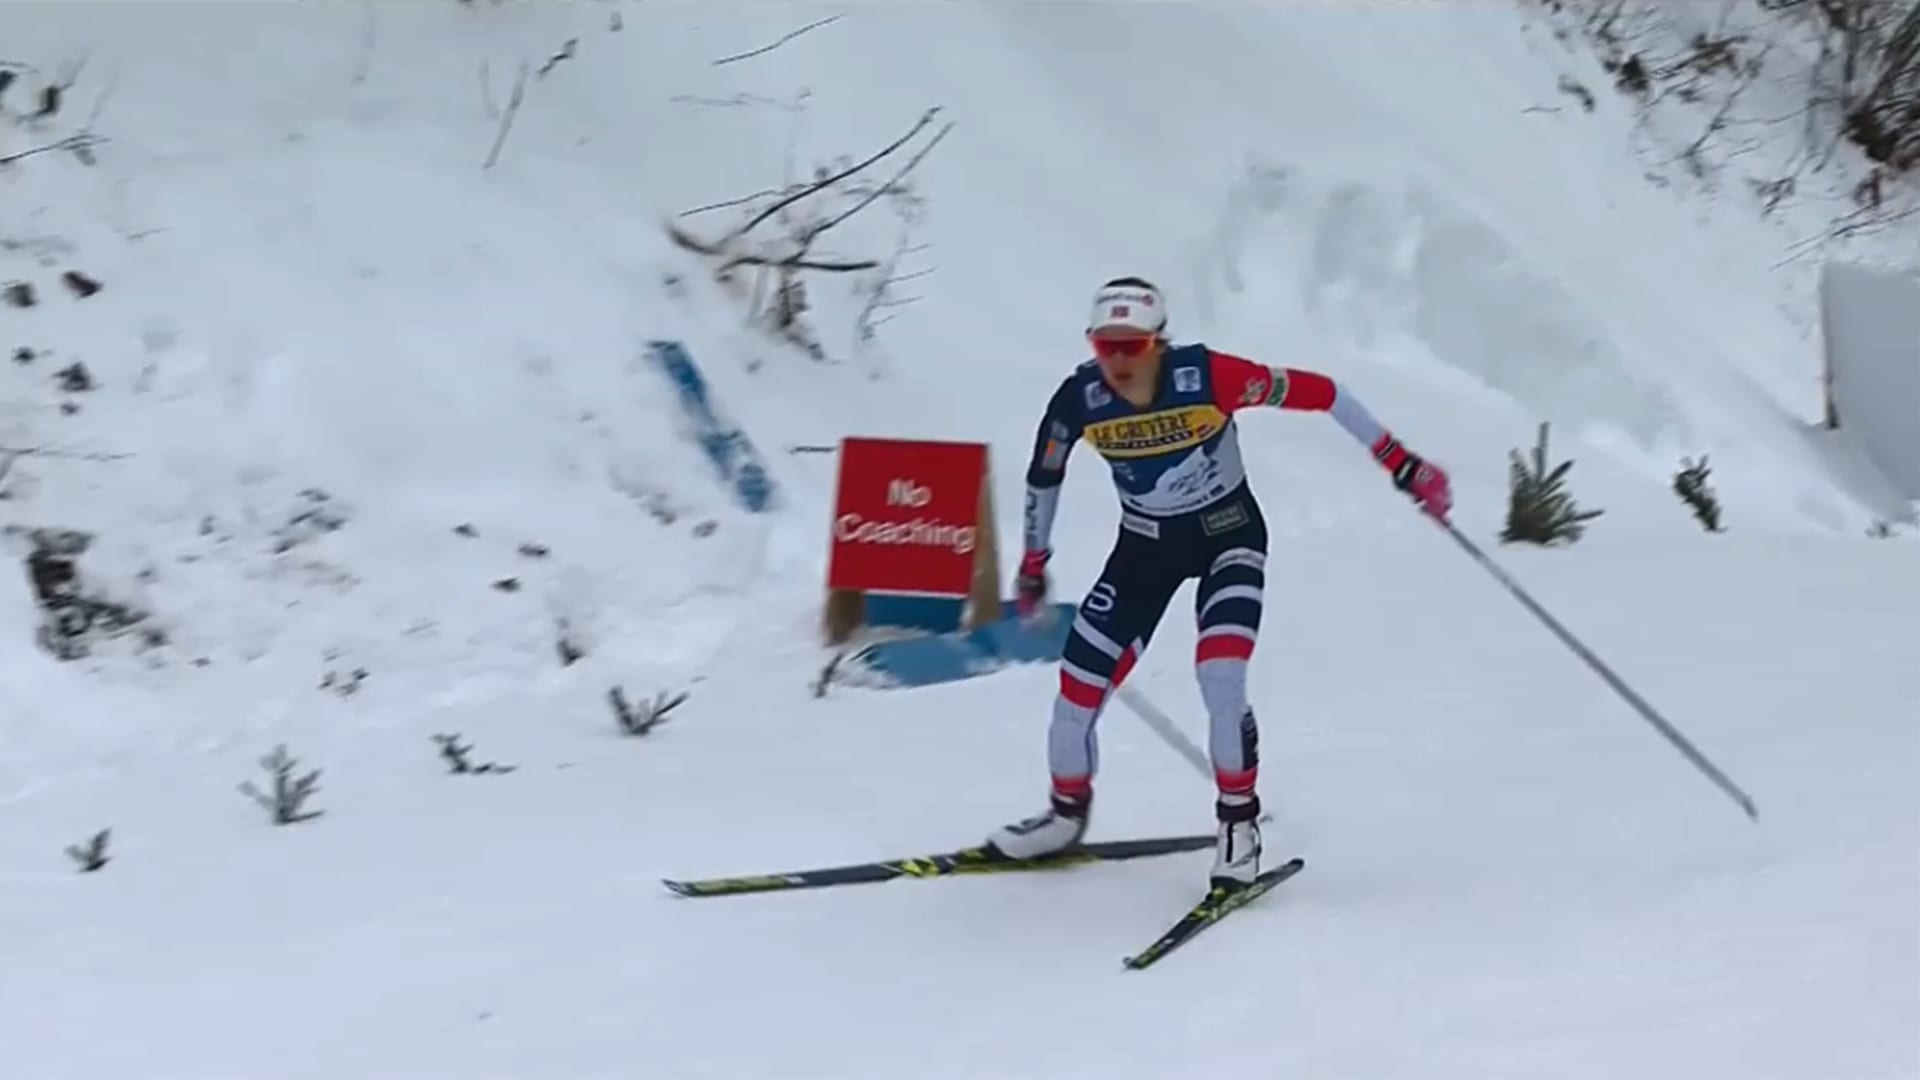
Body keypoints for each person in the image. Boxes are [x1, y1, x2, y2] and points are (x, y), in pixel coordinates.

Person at [985, 276, 1454, 888]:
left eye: (1134, 347)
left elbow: (1325, 394)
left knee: (1220, 674)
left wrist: (1402, 463)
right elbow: (1042, 476)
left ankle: (1238, 824)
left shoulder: (1209, 378)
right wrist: (1032, 563)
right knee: (1076, 691)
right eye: (1107, 347)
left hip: (1228, 537)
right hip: (1144, 550)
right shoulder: (1079, 399)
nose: (1120, 362)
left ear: (1159, 343)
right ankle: (1064, 816)